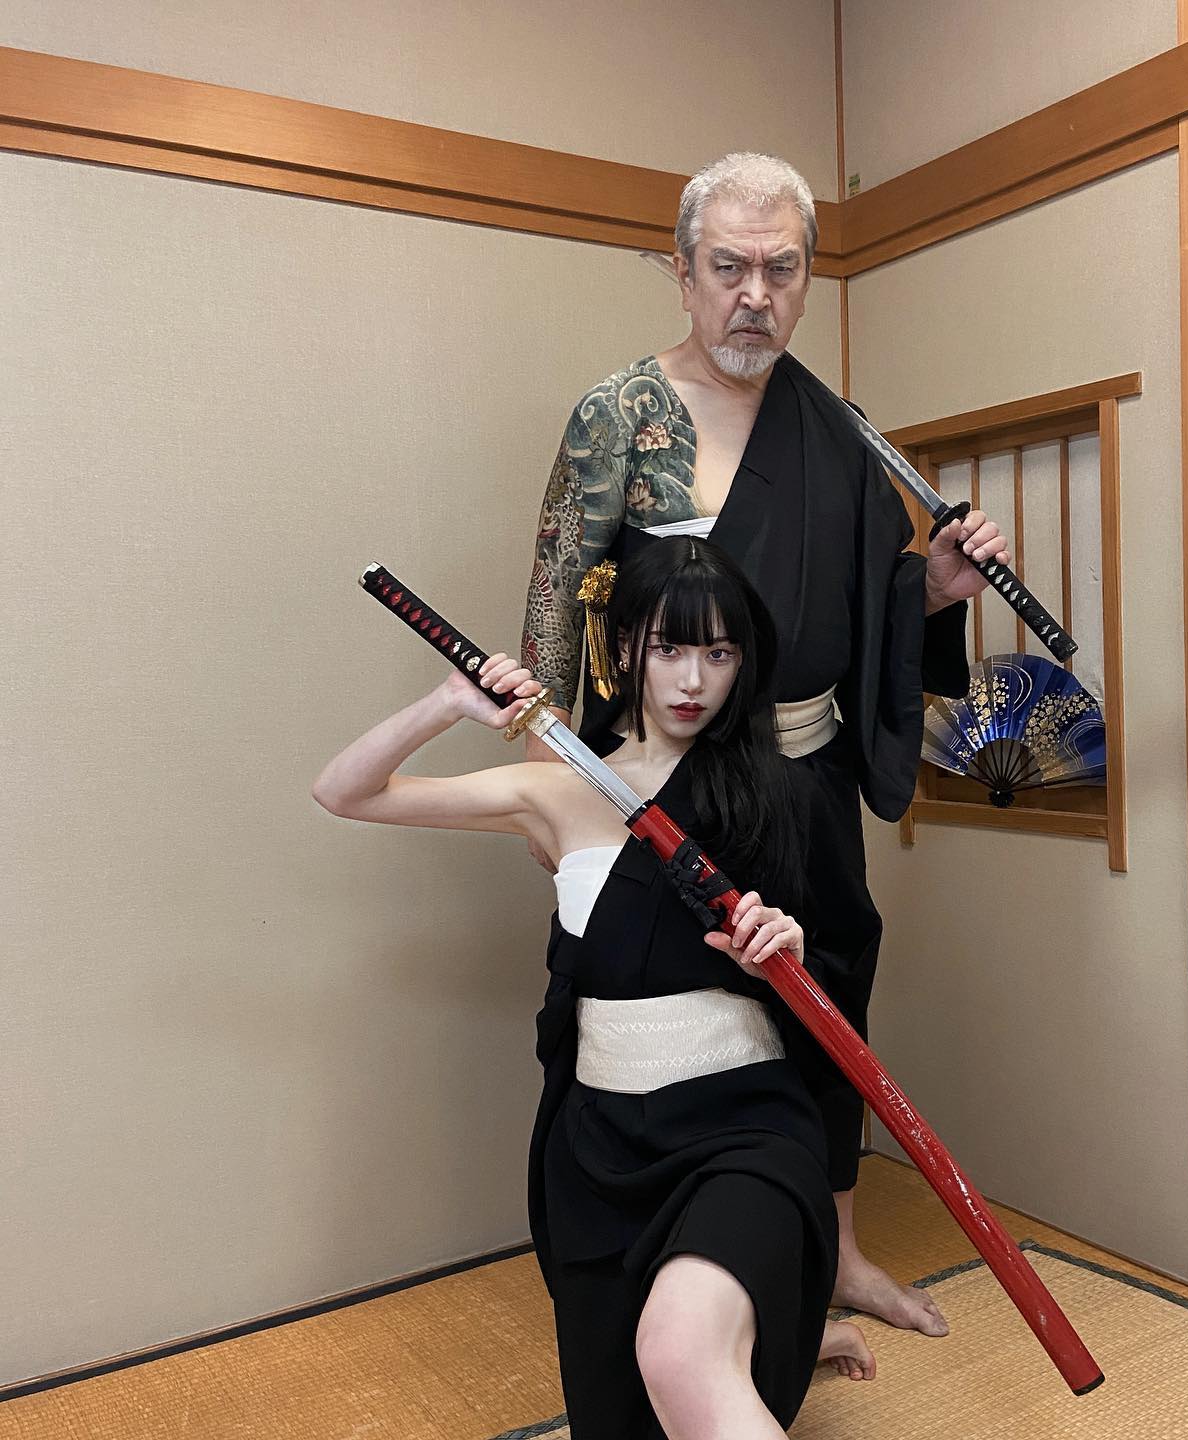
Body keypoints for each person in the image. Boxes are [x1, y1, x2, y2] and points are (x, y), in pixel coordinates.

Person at [520, 151, 1011, 1336]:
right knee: (691, 1014)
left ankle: (834, 1252)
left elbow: (860, 599)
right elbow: (555, 612)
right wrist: (552, 789)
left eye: (780, 270)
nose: (755, 296)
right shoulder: (619, 416)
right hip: (665, 781)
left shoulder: (832, 425)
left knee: (825, 1001)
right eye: (729, 268)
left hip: (806, 770)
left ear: (805, 279)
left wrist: (935, 590)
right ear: (682, 273)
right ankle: (683, 1275)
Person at [314, 537, 874, 1439]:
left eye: (719, 653)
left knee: (682, 1355)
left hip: (743, 1128)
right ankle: (789, 1336)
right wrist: (449, 703)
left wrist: (790, 953)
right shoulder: (558, 788)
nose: (692, 680)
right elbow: (345, 791)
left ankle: (769, 1325)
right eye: (668, 648)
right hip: (602, 1146)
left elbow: (840, 973)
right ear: (624, 650)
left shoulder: (783, 794)